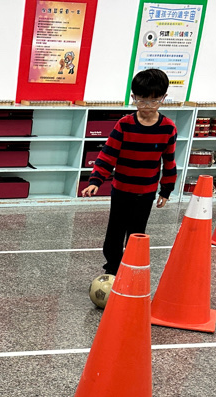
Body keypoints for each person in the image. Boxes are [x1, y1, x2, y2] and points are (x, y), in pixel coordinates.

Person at [80, 68, 177, 283]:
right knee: (114, 234)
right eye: (141, 101)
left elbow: (169, 162)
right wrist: (96, 181)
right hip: (121, 190)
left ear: (163, 98)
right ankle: (112, 270)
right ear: (133, 97)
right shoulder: (124, 124)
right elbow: (108, 155)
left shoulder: (168, 128)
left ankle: (131, 271)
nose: (147, 106)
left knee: (136, 235)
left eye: (153, 101)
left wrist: (166, 190)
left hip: (146, 192)